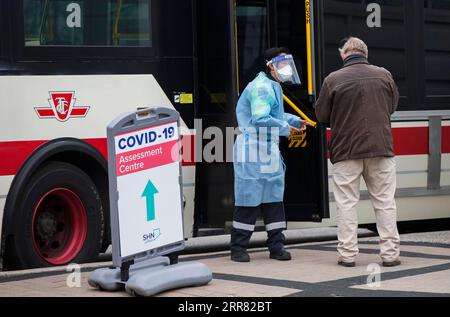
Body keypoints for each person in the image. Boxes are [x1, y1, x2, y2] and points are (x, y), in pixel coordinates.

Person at [315, 37, 401, 267]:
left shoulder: (333, 79)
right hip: (381, 148)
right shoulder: (384, 75)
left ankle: (348, 255)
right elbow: (391, 107)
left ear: (344, 54)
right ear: (365, 52)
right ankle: (391, 254)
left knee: (346, 203)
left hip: (346, 151)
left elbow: (322, 116)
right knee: (385, 202)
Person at [231, 47, 313, 262]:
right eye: (283, 65)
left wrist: (294, 120)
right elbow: (260, 119)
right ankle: (238, 248)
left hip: (267, 148)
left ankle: (276, 247)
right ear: (271, 66)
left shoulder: (271, 85)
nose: (286, 70)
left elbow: (273, 113)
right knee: (248, 199)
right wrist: (288, 128)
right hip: (252, 149)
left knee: (273, 198)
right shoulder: (261, 87)